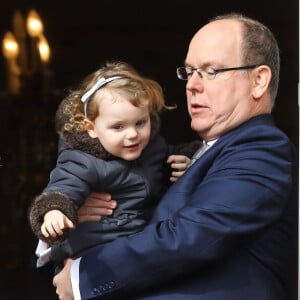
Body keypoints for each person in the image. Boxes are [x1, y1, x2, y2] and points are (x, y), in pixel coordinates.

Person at [53, 13, 298, 300]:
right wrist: (77, 217)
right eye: (190, 71)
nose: (192, 85)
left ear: (258, 81)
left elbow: (188, 238)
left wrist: (83, 276)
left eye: (211, 71)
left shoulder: (263, 148)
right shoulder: (196, 153)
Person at [28, 61, 197, 273]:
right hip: (95, 254)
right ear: (91, 128)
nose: (133, 134)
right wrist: (54, 211)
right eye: (118, 127)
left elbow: (165, 156)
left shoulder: (152, 146)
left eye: (140, 122)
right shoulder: (82, 160)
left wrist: (185, 159)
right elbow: (64, 185)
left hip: (139, 244)